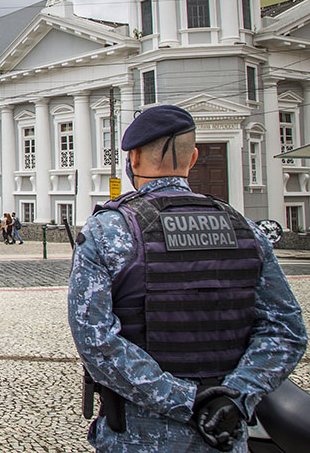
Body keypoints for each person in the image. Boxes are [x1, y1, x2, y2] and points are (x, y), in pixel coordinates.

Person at [68, 105, 306, 452]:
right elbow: (287, 331)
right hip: (224, 432)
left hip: (139, 435)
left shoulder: (109, 231)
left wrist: (186, 400)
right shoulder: (245, 229)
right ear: (193, 158)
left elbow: (96, 341)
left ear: (133, 159)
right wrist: (234, 397)